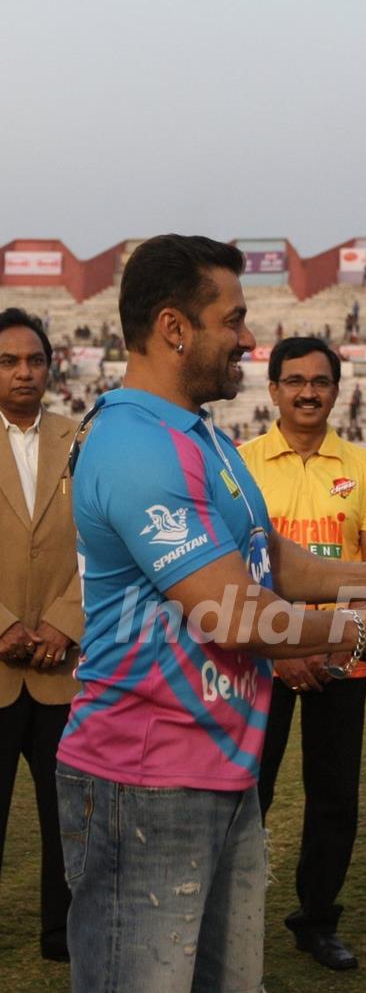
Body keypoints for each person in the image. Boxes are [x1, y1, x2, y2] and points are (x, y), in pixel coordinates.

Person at [55, 234, 366, 993]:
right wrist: (364, 629)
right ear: (174, 328)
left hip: (221, 771)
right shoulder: (135, 446)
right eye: (232, 320)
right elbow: (233, 614)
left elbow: (274, 561)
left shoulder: (206, 439)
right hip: (144, 779)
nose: (246, 338)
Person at [240, 337, 366, 971]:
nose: (308, 391)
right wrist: (278, 651)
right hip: (259, 663)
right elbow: (234, 571)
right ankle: (235, 915)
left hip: (340, 661)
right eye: (295, 380)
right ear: (271, 389)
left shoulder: (363, 467)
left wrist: (335, 644)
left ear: (337, 389)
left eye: (321, 381)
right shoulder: (239, 462)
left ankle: (317, 920)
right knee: (250, 795)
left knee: (335, 797)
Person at [0, 307, 83, 962]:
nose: (24, 372)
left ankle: (63, 933)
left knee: (68, 819)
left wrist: (67, 618)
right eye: (8, 362)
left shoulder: (80, 438)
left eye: (33, 360)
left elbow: (108, 543)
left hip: (63, 667)